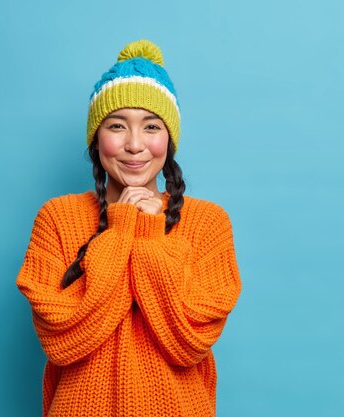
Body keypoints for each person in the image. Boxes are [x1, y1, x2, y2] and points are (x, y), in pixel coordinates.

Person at [16, 39, 242, 417]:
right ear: (96, 139)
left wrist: (151, 235)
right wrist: (122, 230)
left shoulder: (208, 222)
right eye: (117, 126)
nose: (134, 145)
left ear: (168, 139)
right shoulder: (57, 217)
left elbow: (189, 340)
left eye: (151, 126)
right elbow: (62, 338)